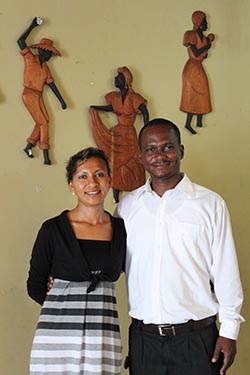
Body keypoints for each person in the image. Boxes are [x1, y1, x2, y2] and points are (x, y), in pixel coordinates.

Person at [115, 118, 244, 375]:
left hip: (197, 340)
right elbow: (109, 261)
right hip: (144, 342)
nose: (159, 155)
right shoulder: (127, 207)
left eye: (168, 147)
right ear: (140, 156)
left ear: (181, 151)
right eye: (151, 149)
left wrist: (229, 331)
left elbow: (226, 271)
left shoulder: (210, 204)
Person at [27, 147, 126, 375]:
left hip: (103, 340)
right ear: (72, 185)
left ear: (109, 180)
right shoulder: (52, 230)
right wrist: (65, 304)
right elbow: (34, 287)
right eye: (82, 176)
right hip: (56, 343)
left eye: (99, 174)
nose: (92, 182)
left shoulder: (121, 230)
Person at [89, 66, 149, 202]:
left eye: (119, 77)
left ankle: (137, 191)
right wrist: (96, 108)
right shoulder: (115, 97)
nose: (115, 79)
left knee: (131, 161)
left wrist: (146, 130)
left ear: (126, 81)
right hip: (117, 132)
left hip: (129, 134)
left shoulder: (134, 97)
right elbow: (110, 108)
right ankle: (115, 194)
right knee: (114, 163)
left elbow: (145, 112)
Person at [17, 17, 67, 165]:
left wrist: (62, 101)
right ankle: (45, 155)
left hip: (38, 95)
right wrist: (32, 25)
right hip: (29, 94)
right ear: (41, 50)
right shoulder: (30, 58)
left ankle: (29, 146)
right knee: (43, 123)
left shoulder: (45, 68)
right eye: (49, 53)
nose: (50, 56)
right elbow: (20, 41)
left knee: (44, 120)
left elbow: (52, 85)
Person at [180, 11, 215, 135]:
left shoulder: (204, 39)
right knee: (192, 94)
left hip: (198, 67)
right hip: (191, 68)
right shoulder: (190, 35)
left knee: (203, 91)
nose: (206, 24)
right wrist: (208, 46)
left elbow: (203, 56)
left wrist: (208, 43)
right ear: (199, 23)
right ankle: (188, 123)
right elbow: (195, 53)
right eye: (205, 21)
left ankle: (199, 121)